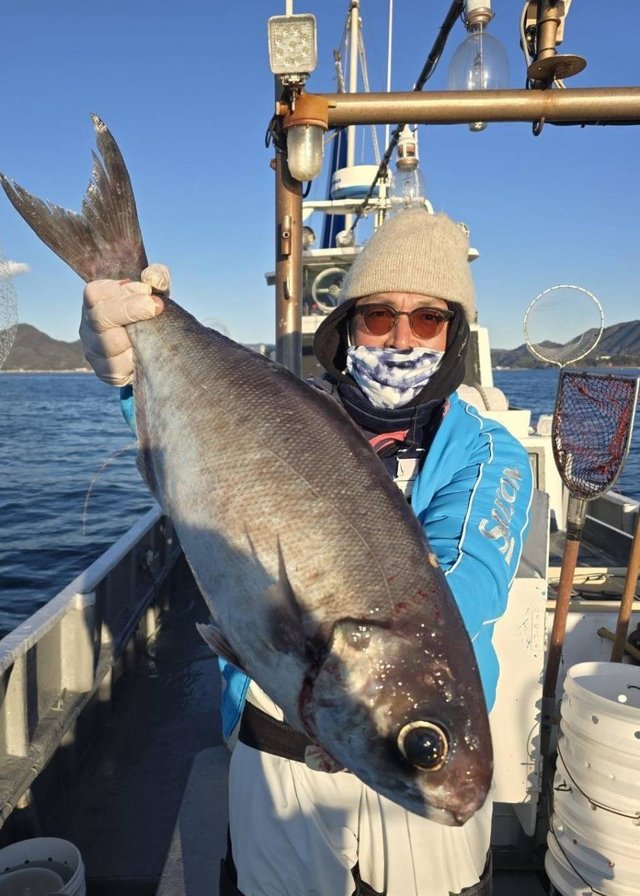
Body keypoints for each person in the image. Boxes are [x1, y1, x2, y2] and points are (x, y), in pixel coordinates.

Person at [80, 207, 533, 896]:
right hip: (276, 740)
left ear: (454, 336)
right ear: (346, 326)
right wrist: (128, 370)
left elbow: (470, 581)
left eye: (428, 319)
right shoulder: (287, 410)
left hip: (399, 744)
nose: (402, 337)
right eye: (378, 315)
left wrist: (368, 688)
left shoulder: (488, 451)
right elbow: (196, 443)